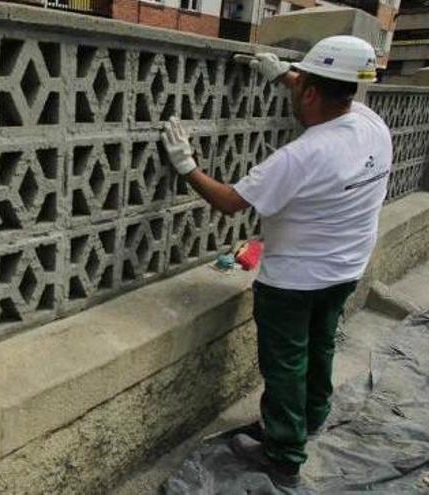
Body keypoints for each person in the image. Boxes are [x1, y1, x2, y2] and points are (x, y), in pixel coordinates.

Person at [160, 36, 390, 487]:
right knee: (321, 344)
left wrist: (186, 166)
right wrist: (282, 72)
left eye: (297, 85)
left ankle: (284, 453)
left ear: (309, 92)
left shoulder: (302, 155)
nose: (292, 92)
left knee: (286, 364)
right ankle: (314, 415)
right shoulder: (370, 123)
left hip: (295, 281)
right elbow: (326, 88)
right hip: (347, 268)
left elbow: (229, 202)